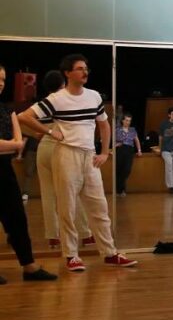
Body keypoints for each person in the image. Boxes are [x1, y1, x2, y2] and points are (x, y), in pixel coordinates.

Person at [19, 54, 137, 272]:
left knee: (99, 206)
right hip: (66, 154)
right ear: (67, 73)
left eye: (86, 68)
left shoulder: (93, 96)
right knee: (67, 206)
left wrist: (104, 152)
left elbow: (104, 125)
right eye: (80, 68)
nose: (85, 72)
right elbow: (24, 117)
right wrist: (50, 132)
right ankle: (71, 255)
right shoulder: (57, 99)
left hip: (89, 155)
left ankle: (110, 252)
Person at [0, 64, 56, 283]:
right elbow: (15, 143)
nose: (1, 83)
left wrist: (12, 144)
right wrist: (13, 144)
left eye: (3, 79)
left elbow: (18, 143)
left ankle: (29, 266)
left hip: (4, 170)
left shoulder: (7, 109)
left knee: (17, 219)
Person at [31, 70, 94, 254]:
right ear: (63, 83)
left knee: (48, 193)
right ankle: (85, 234)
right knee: (72, 192)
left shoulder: (42, 104)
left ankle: (53, 236)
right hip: (61, 148)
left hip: (43, 148)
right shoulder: (63, 100)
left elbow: (33, 128)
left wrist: (47, 132)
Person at [114, 112, 142, 196]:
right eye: (126, 120)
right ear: (123, 121)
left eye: (129, 121)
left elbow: (136, 140)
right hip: (120, 149)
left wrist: (139, 150)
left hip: (129, 150)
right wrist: (116, 145)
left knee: (127, 170)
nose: (128, 122)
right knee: (119, 170)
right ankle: (120, 190)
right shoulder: (117, 130)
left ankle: (121, 189)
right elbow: (112, 141)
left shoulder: (132, 130)